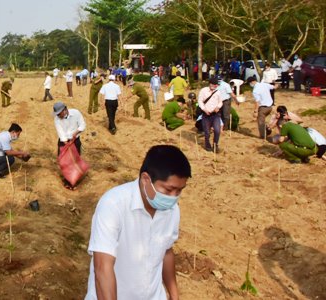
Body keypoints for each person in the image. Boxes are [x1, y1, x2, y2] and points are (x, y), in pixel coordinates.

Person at [85, 145, 190, 300]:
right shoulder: (113, 205)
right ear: (146, 179)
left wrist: (174, 295)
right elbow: (102, 268)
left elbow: (166, 251)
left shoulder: (172, 210)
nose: (173, 197)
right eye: (168, 190)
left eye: (179, 191)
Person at [53, 102, 86, 190]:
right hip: (64, 141)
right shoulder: (56, 119)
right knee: (63, 161)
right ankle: (68, 179)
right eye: (57, 114)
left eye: (59, 114)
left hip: (75, 140)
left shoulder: (76, 113)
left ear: (65, 110)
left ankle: (72, 182)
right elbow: (61, 134)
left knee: (74, 161)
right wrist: (68, 146)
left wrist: (77, 132)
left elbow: (83, 125)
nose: (58, 116)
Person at [198, 78, 223, 152]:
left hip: (215, 114)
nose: (214, 86)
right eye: (213, 84)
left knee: (217, 130)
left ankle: (215, 145)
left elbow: (220, 102)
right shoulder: (203, 91)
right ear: (210, 84)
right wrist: (204, 109)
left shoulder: (218, 92)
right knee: (207, 132)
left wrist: (218, 107)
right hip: (206, 114)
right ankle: (207, 145)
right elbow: (200, 101)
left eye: (216, 85)